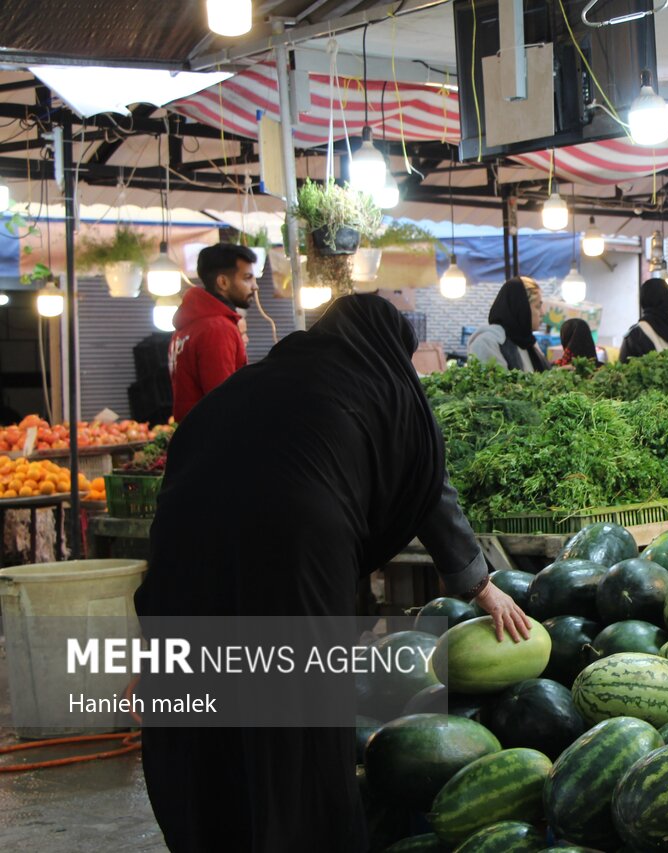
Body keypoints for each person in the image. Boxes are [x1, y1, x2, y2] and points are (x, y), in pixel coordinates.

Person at [134, 294, 532, 852]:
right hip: (293, 551)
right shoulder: (389, 390)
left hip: (187, 546)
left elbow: (184, 474)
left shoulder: (251, 382)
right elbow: (430, 489)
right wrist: (480, 584)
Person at [168, 243, 258, 421]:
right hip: (213, 442)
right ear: (223, 282)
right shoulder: (217, 329)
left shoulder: (185, 328)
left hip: (192, 437)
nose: (255, 286)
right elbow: (224, 402)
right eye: (247, 278)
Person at [466, 276, 549, 372]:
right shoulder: (487, 343)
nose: (542, 313)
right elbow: (497, 384)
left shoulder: (527, 343)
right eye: (538, 306)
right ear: (522, 308)